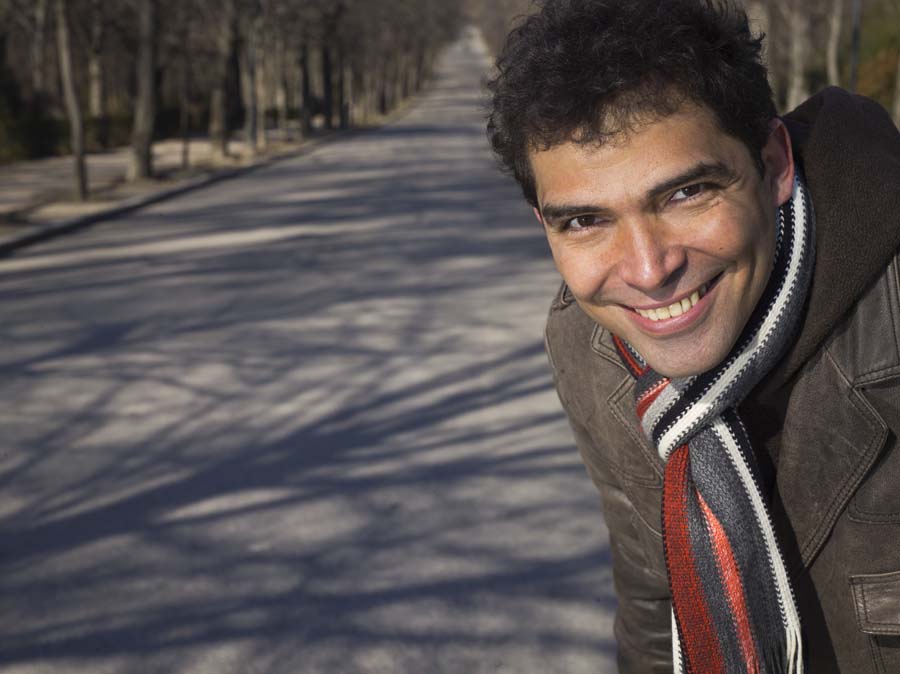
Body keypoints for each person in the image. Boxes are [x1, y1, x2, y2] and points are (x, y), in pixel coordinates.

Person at [486, 1, 900, 672]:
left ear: (773, 164)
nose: (649, 270)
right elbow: (656, 597)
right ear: (545, 226)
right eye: (586, 221)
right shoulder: (589, 350)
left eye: (686, 194)